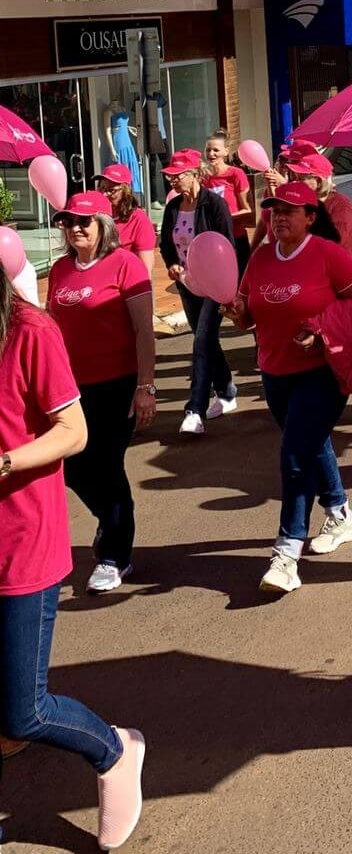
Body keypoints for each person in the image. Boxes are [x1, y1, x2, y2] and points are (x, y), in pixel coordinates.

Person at [0, 269, 146, 846]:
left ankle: (115, 751)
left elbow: (73, 431)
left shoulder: (30, 330)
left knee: (22, 713)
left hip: (21, 541)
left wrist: (6, 461)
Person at [223, 182, 352, 593]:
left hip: (322, 372)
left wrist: (322, 328)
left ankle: (287, 554)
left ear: (311, 216)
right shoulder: (261, 258)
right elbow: (250, 317)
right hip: (275, 372)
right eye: (274, 210)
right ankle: (340, 514)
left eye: (290, 210)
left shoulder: (329, 256)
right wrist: (237, 312)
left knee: (294, 455)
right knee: (309, 442)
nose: (280, 216)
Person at [46, 192, 156, 594]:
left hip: (119, 384)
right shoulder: (59, 270)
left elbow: (145, 331)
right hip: (72, 388)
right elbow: (53, 331)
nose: (75, 228)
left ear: (104, 226)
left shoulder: (126, 265)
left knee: (108, 466)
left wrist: (146, 387)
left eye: (84, 221)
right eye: (68, 221)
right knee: (73, 466)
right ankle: (111, 522)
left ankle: (115, 557)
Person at [159, 150, 238, 434]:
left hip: (213, 284)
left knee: (203, 339)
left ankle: (194, 410)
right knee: (204, 339)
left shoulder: (215, 204)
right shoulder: (172, 207)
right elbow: (166, 244)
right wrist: (171, 265)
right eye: (170, 177)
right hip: (186, 284)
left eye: (178, 175)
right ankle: (227, 391)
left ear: (195, 174)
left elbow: (226, 244)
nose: (173, 181)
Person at [94, 164, 157, 278]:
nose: (104, 194)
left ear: (125, 191)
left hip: (125, 281)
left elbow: (145, 267)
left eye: (111, 190)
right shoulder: (93, 217)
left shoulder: (138, 219)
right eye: (101, 188)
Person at [203, 134, 253, 272]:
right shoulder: (202, 178)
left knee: (240, 281)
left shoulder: (236, 174)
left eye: (215, 150)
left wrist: (224, 219)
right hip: (211, 240)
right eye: (208, 150)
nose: (211, 154)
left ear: (226, 151)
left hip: (235, 237)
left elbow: (247, 210)